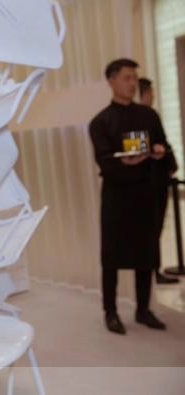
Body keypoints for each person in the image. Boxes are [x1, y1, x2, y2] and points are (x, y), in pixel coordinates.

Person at [89, 59, 168, 335]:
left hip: (146, 194)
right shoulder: (100, 122)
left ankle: (143, 309)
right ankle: (110, 312)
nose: (133, 83)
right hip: (117, 198)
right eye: (126, 78)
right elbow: (104, 161)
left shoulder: (149, 116)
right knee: (112, 256)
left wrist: (159, 151)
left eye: (134, 78)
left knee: (146, 253)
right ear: (111, 81)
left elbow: (164, 147)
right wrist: (125, 163)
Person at [138, 77, 179, 285]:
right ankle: (152, 270)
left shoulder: (149, 116)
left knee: (155, 227)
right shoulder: (143, 118)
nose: (153, 96)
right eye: (150, 93)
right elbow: (159, 144)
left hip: (155, 178)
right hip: (152, 180)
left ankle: (154, 269)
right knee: (152, 228)